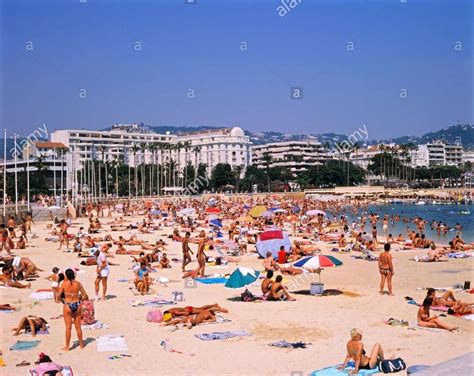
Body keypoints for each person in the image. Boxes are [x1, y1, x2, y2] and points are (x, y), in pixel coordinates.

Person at [58, 268, 89, 350]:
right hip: (77, 304)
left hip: (67, 305)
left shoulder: (64, 284)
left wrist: (63, 301)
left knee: (68, 327)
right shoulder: (78, 284)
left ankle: (67, 347)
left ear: (66, 275)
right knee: (78, 327)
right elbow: (85, 295)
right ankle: (81, 345)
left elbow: (58, 296)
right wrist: (80, 300)